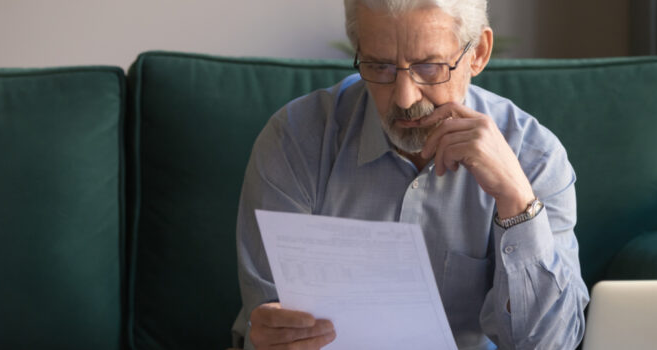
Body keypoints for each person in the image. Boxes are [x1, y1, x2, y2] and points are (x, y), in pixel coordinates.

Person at [232, 0, 589, 349]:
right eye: (380, 66)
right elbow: (269, 318)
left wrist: (517, 203)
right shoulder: (295, 140)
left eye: (429, 67)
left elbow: (550, 344)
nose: (403, 98)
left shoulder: (534, 157)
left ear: (478, 52)